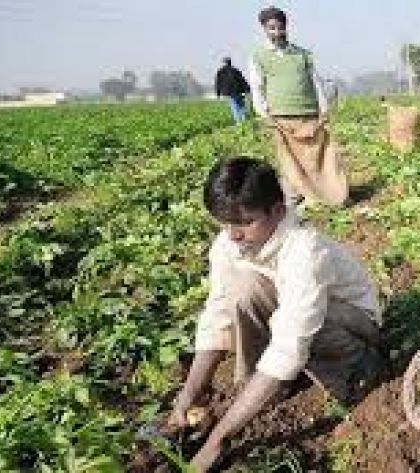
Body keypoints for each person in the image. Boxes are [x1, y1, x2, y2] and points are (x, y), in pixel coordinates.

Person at [163, 157, 385, 472]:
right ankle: (266, 385)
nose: (233, 235)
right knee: (242, 285)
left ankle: (355, 377)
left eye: (245, 222)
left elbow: (290, 342)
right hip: (296, 316)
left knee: (309, 321)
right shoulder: (230, 243)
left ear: (278, 211)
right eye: (225, 223)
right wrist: (189, 393)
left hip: (355, 327)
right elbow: (218, 314)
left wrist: (217, 441)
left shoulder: (305, 250)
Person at [249, 6, 349, 207]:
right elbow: (257, 86)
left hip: (308, 113)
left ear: (286, 27)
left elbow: (316, 83)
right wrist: (264, 113)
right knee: (289, 159)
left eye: (279, 27)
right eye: (271, 28)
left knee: (315, 155)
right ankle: (295, 195)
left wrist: (324, 109)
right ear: (264, 29)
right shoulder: (258, 56)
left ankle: (325, 192)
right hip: (281, 116)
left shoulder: (302, 55)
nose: (276, 32)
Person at [215, 57, 251, 123]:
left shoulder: (220, 72)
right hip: (237, 91)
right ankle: (243, 119)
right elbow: (242, 80)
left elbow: (218, 83)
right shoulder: (235, 70)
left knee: (234, 105)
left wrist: (218, 93)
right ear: (230, 62)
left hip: (229, 92)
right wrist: (247, 89)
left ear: (224, 63)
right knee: (241, 105)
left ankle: (239, 121)